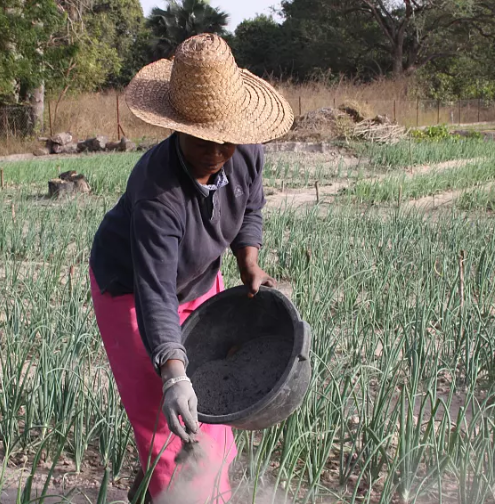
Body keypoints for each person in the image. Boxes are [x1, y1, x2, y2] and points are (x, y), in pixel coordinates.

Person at [87, 33, 294, 503]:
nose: (218, 152)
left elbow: (251, 207)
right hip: (132, 289)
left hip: (200, 279)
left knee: (214, 408)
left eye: (227, 142)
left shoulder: (247, 153)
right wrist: (174, 374)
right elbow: (155, 290)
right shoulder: (157, 192)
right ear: (177, 126)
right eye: (204, 141)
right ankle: (171, 492)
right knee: (168, 420)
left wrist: (249, 262)